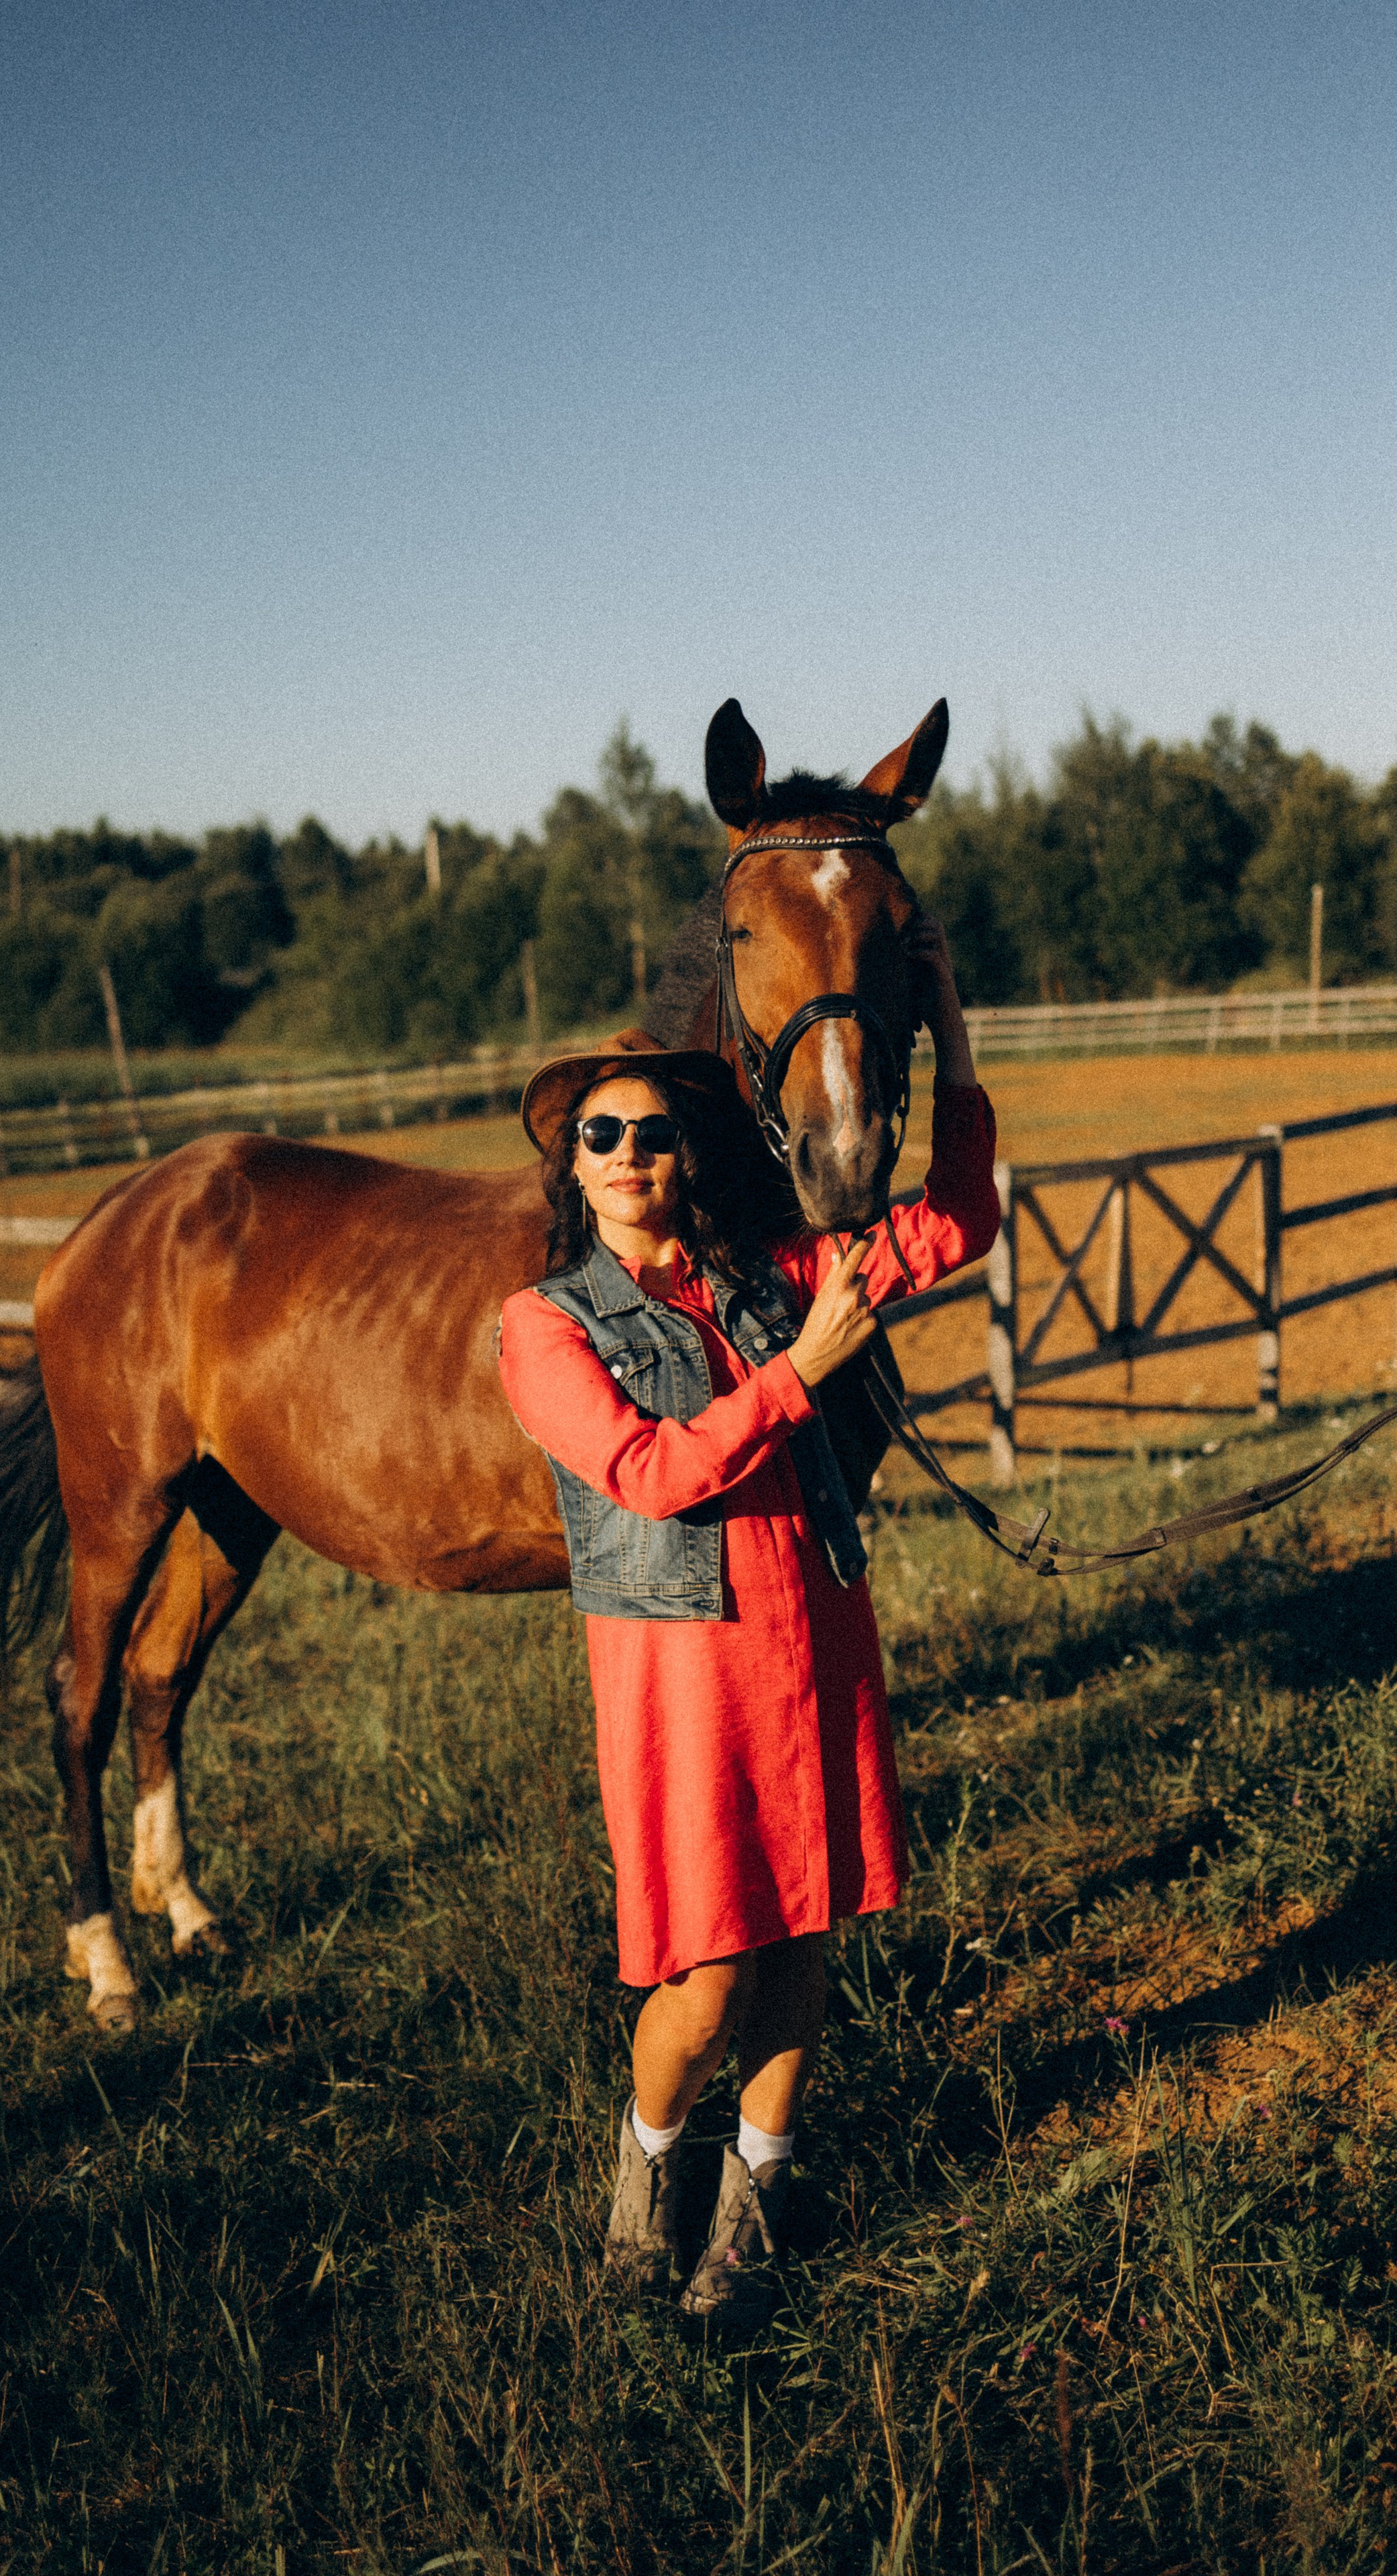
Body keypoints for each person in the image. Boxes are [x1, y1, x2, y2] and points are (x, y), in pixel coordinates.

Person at [496, 916, 999, 2326]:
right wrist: (802, 1375)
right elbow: (647, 1474)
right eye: (601, 1134)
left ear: (688, 1152)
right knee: (707, 1972)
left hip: (815, 1638)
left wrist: (949, 1029)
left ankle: (754, 2202)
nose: (629, 1154)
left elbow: (957, 1216)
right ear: (571, 1162)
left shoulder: (768, 1274)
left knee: (806, 1933)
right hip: (680, 1680)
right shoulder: (545, 1326)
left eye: (654, 1132)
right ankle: (648, 2161)